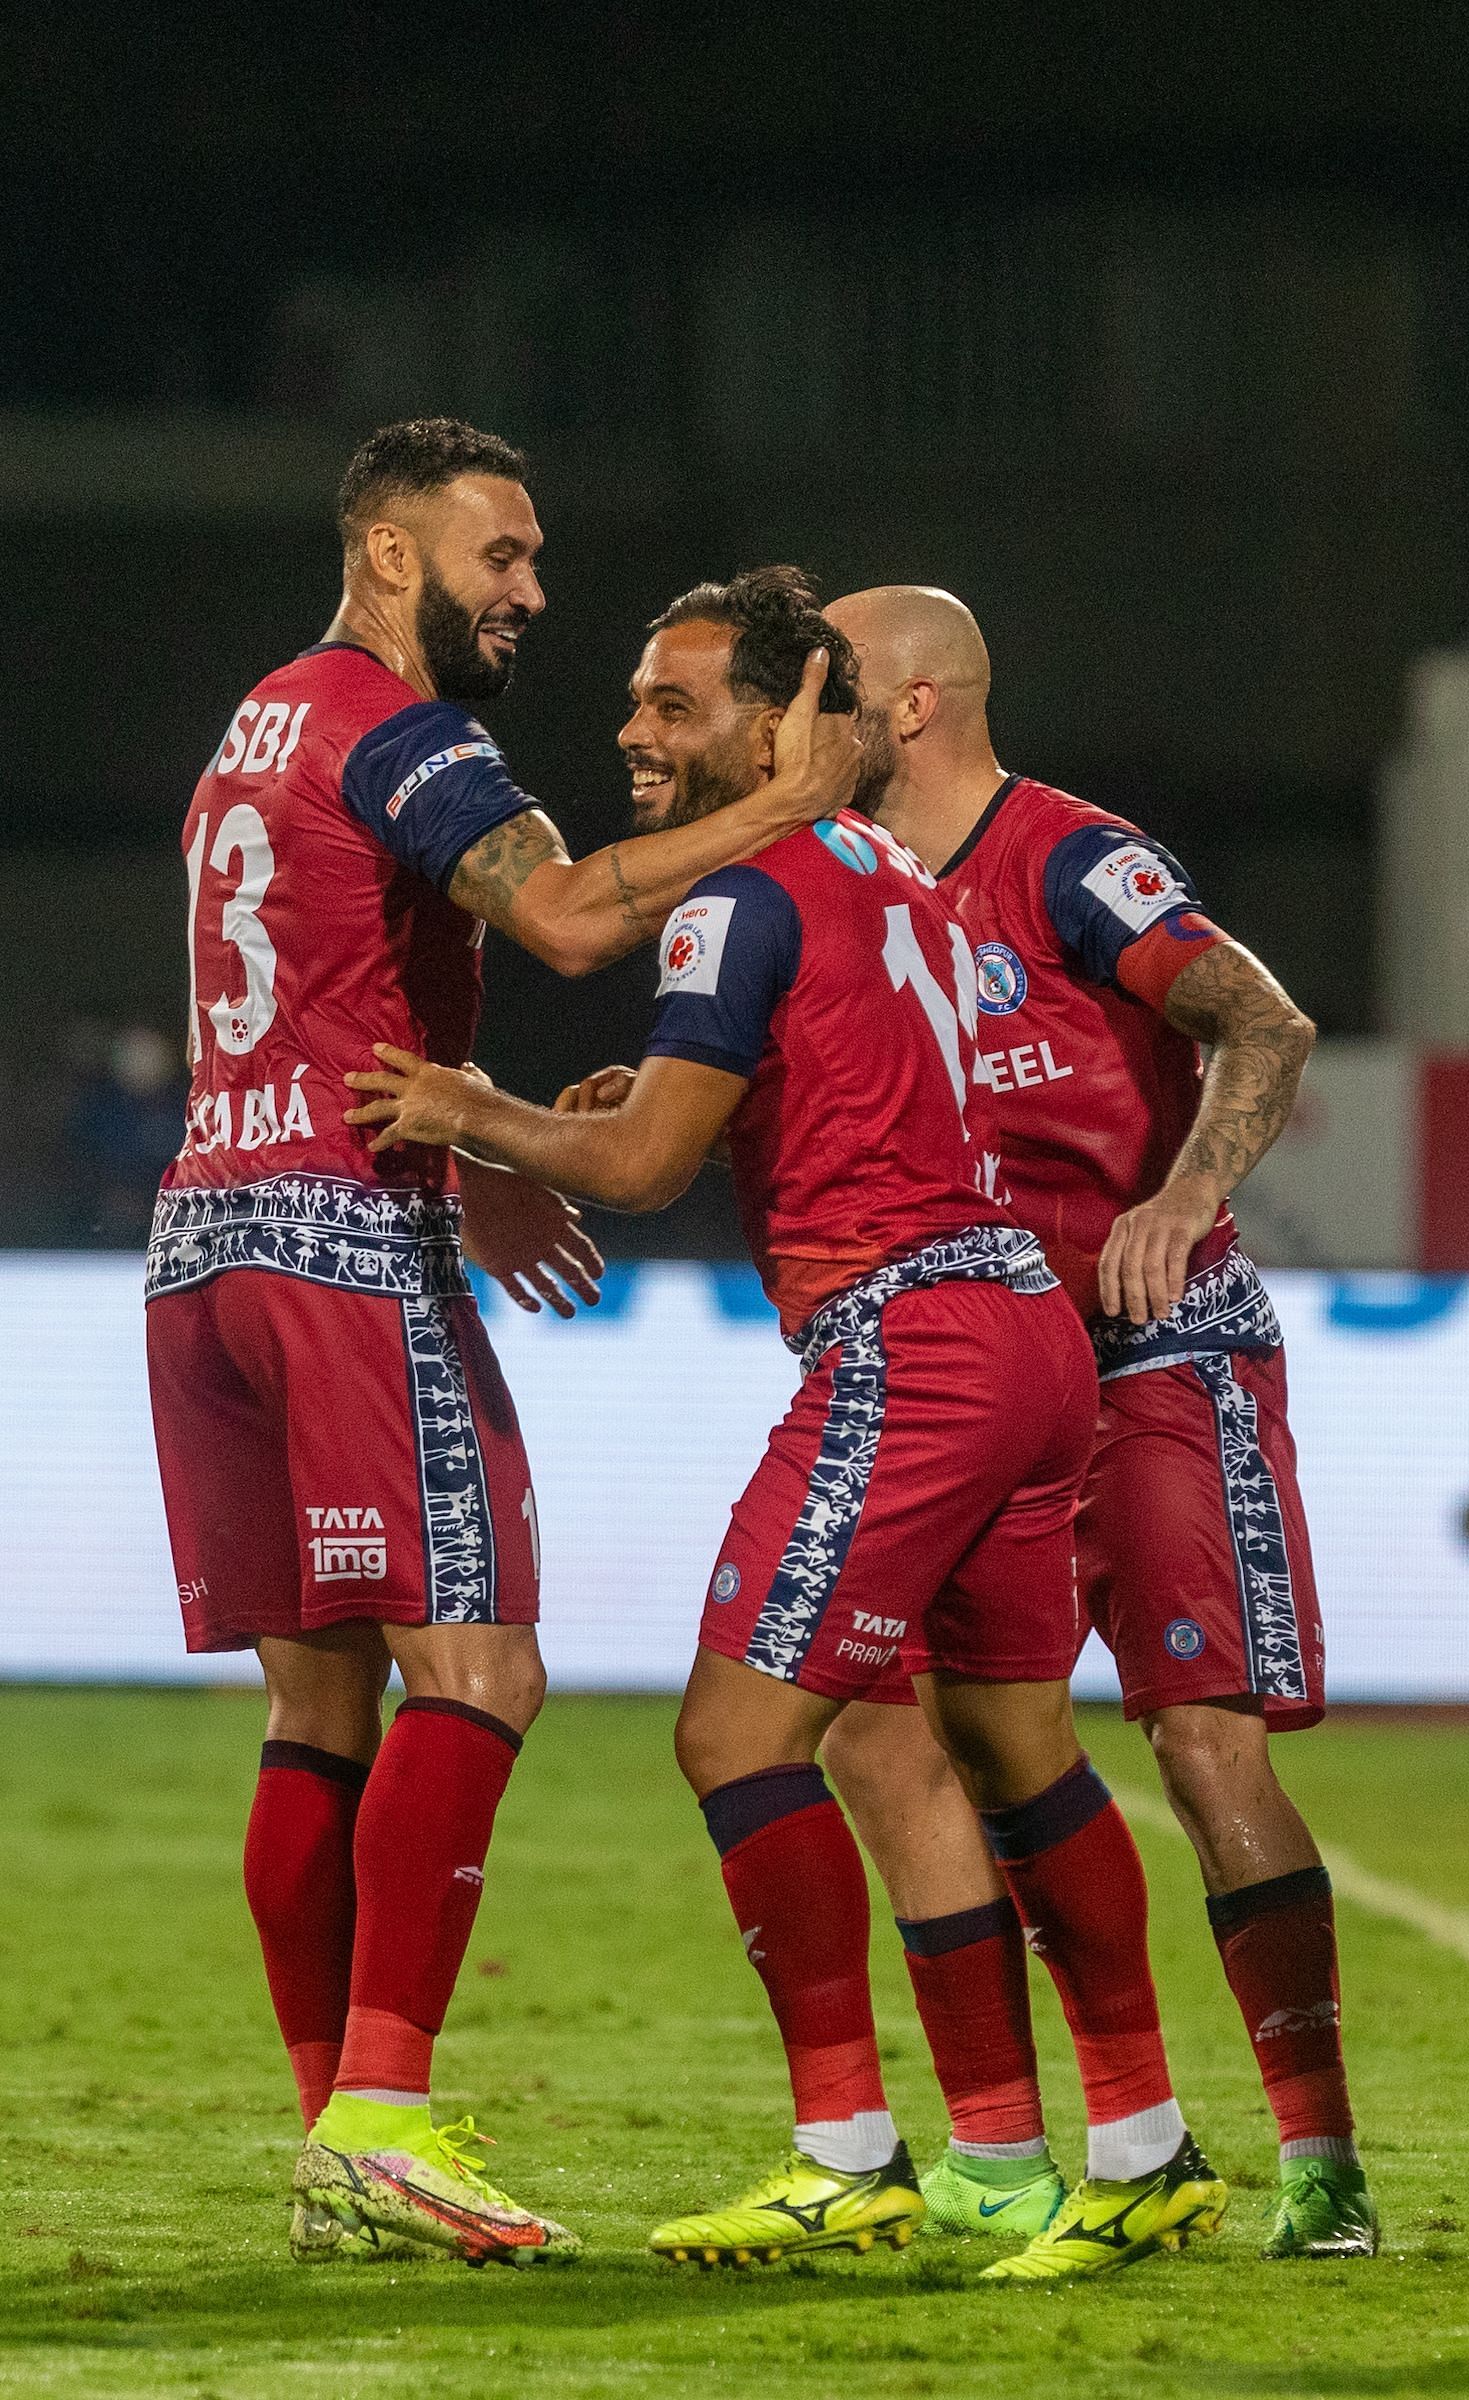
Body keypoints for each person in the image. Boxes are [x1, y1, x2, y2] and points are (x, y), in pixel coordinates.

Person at [346, 565, 1228, 2285]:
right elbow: (832, 1084)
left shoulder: (735, 894)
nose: (635, 733)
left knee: (737, 1739)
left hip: (910, 1343)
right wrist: (674, 1103)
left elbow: (642, 1167)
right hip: (1025, 1332)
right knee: (988, 1745)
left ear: (785, 726)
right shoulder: (887, 871)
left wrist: (474, 1110)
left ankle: (848, 2151)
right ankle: (1112, 2147)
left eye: (677, 706)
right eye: (633, 703)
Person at [144, 418, 857, 2269]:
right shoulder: (408, 733)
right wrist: (796, 800)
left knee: (317, 1709)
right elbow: (552, 916)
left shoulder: (256, 722)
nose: (530, 594)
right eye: (502, 558)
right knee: (480, 1674)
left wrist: (469, 1142)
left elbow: (314, 991)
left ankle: (335, 2136)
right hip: (336, 1246)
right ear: (393, 556)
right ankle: (383, 2119)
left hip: (206, 1238)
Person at [810, 583, 1377, 2262]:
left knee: (1200, 1743)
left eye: (823, 683)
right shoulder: (850, 883)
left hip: (1149, 1351)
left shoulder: (1065, 856)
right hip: (982, 1371)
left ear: (909, 703)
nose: (795, 709)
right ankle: (1086, 2140)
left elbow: (1261, 1018)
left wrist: (1185, 1193)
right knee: (879, 1731)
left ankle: (1320, 2159)